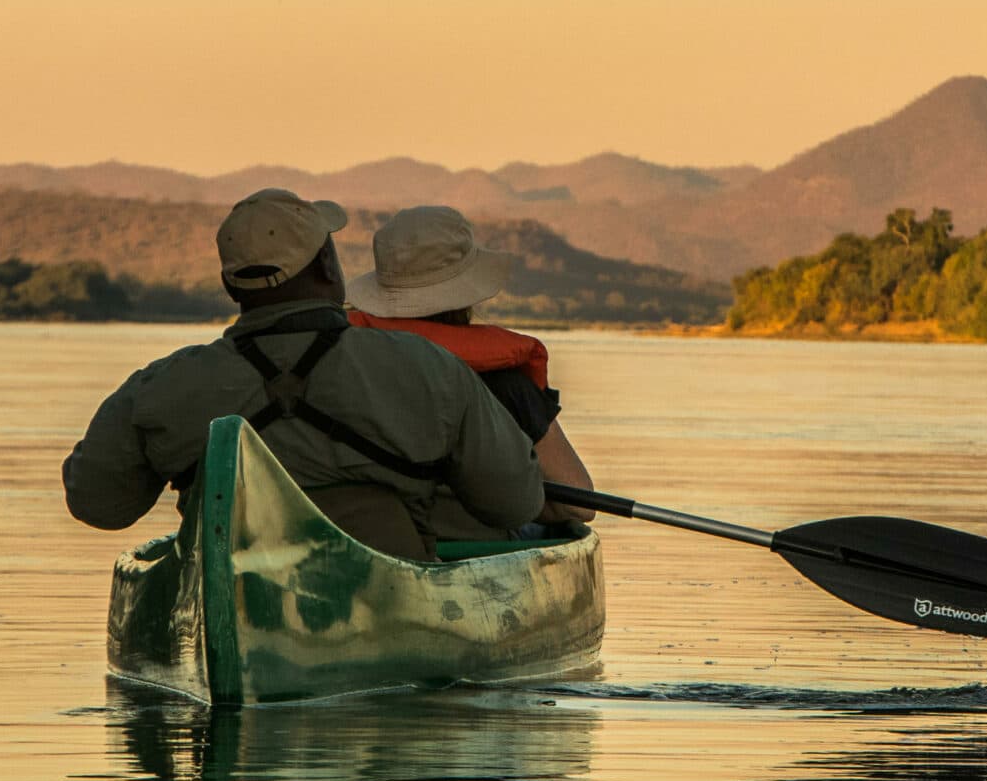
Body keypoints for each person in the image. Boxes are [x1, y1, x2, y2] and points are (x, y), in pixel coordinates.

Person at [61, 188, 544, 560]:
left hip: (234, 579)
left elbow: (98, 505)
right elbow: (514, 504)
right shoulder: (434, 370)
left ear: (230, 285)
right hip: (389, 588)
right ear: (329, 269)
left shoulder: (156, 388)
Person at [345, 204, 593, 537]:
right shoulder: (507, 387)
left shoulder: (344, 366)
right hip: (473, 537)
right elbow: (578, 503)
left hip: (375, 534)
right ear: (465, 300)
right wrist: (534, 504)